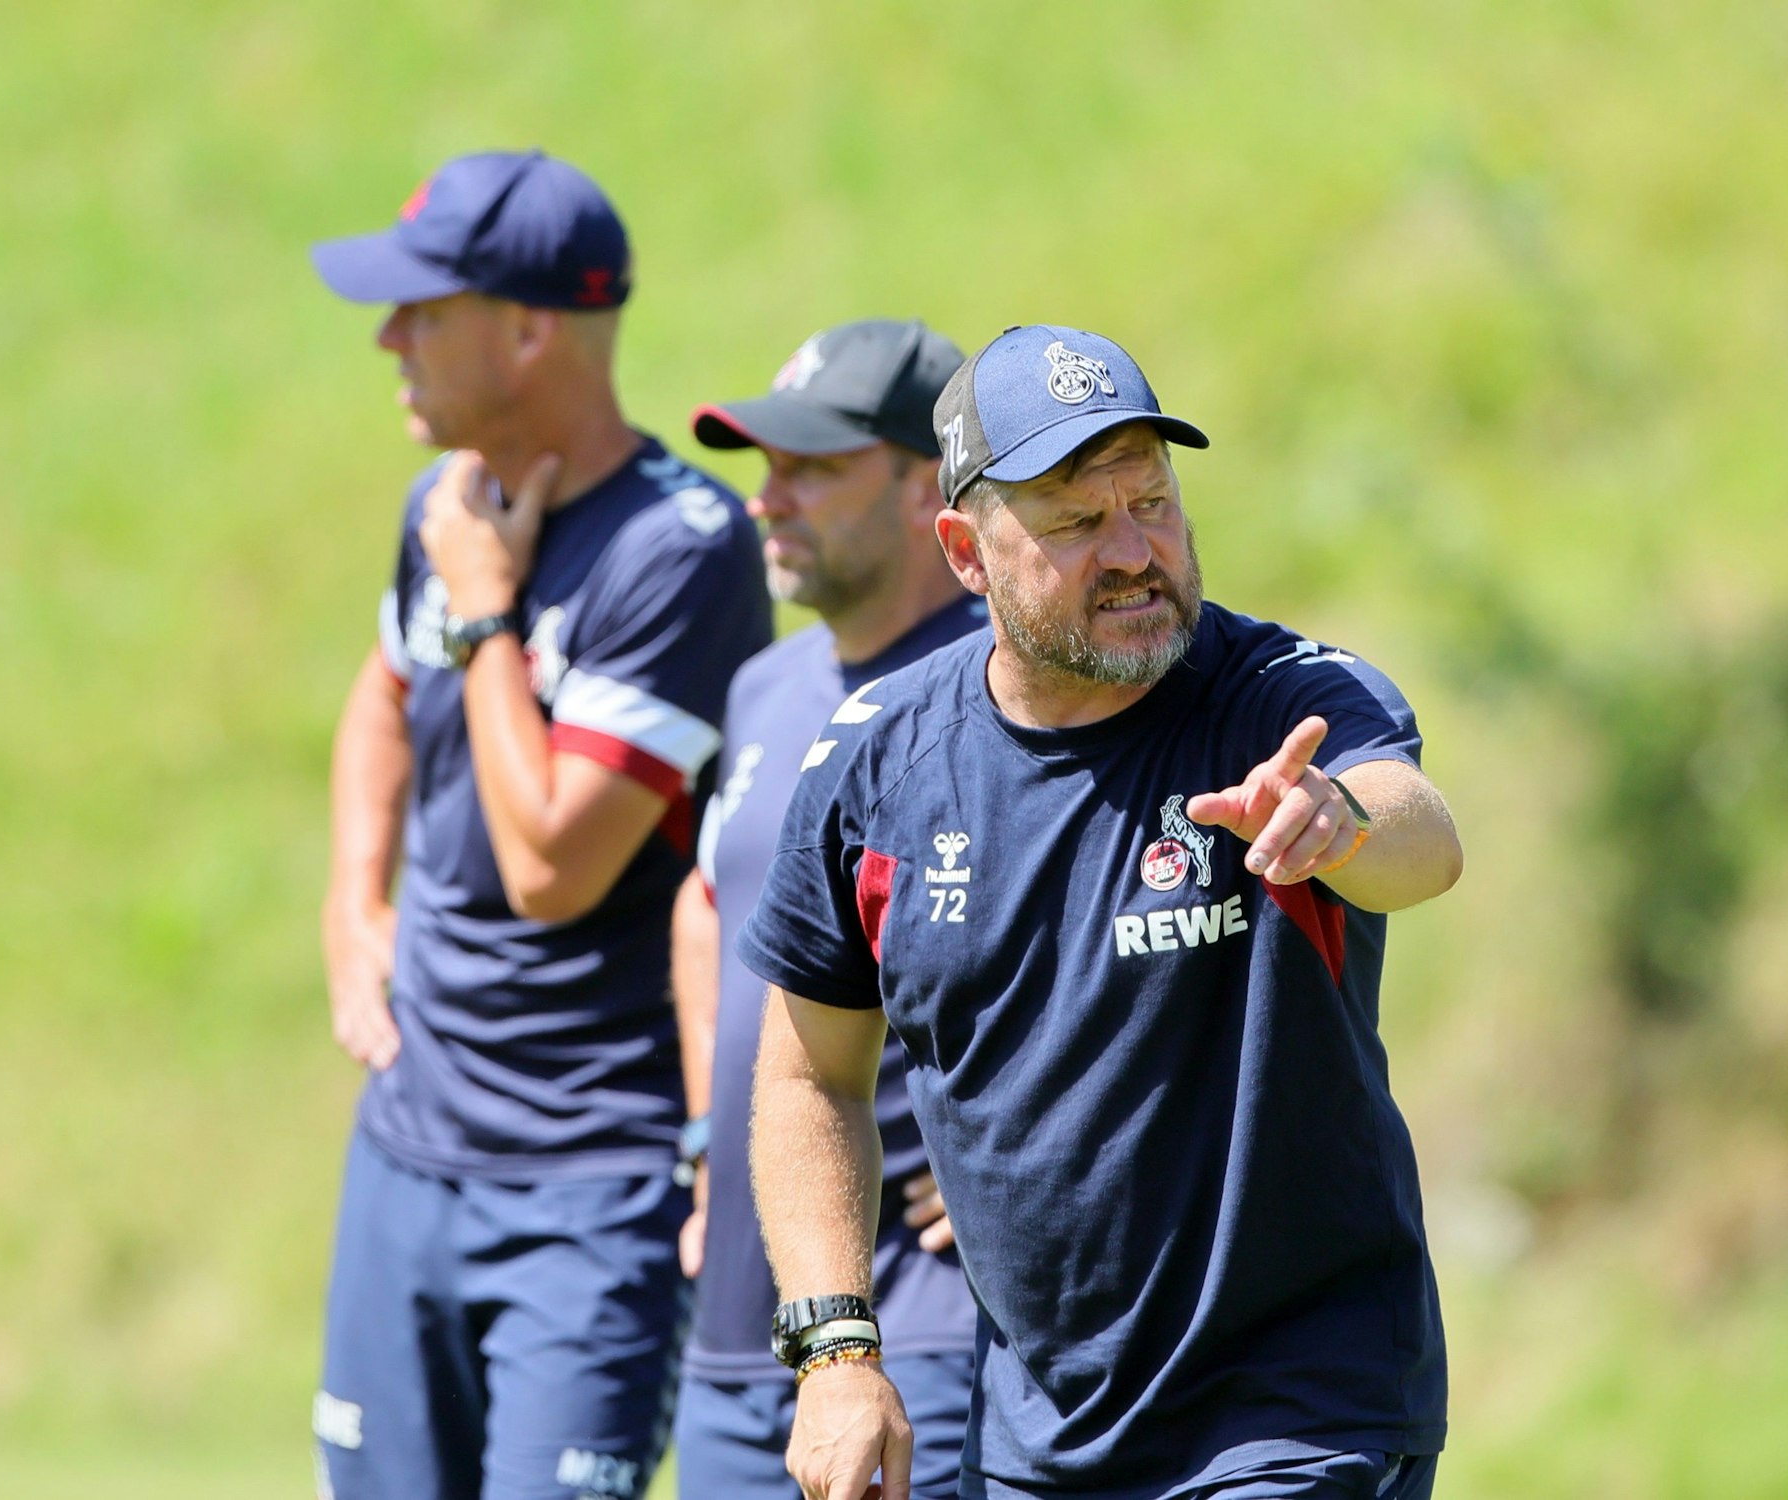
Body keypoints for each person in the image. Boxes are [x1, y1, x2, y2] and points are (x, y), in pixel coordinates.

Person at [736, 326, 1465, 1500]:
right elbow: (807, 1077)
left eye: (1151, 501)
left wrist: (1338, 823)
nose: (1133, 551)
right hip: (1036, 1440)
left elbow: (1419, 836)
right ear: (965, 553)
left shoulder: (1278, 700)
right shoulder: (877, 764)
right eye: (1076, 521)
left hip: (1294, 1414)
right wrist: (834, 1352)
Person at [308, 148, 771, 1500]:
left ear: (527, 333)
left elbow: (551, 866)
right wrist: (353, 901)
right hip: (407, 1152)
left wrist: (487, 612)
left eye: (422, 310)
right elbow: (380, 701)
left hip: (591, 1181)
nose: (388, 339)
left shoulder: (678, 551)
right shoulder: (450, 503)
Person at [670, 320, 987, 1500]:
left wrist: (1029, 1148)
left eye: (810, 467)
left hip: (920, 1333)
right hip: (736, 1338)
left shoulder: (1004, 690)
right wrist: (709, 1146)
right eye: (765, 467)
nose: (767, 498)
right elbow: (706, 905)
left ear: (922, 489)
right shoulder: (763, 686)